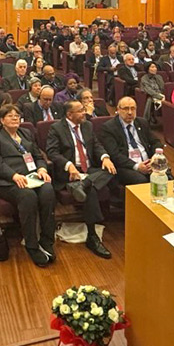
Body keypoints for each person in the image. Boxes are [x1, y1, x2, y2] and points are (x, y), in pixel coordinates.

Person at [45, 100, 116, 259]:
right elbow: (52, 152)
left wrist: (105, 158)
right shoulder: (56, 128)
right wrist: (69, 165)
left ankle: (84, 183)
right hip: (71, 173)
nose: (84, 113)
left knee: (112, 169)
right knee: (90, 189)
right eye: (80, 111)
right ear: (70, 114)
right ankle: (92, 236)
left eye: (84, 110)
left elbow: (96, 145)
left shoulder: (87, 126)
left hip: (90, 170)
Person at [0, 104, 56, 267]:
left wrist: (42, 169)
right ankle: (31, 245)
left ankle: (47, 240)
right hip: (9, 181)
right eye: (10, 116)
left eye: (17, 115)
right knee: (28, 196)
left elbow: (38, 156)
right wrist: (13, 175)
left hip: (32, 176)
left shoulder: (26, 133)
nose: (15, 118)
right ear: (2, 120)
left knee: (47, 190)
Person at [98, 96, 165, 186]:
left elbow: (156, 142)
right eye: (126, 109)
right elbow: (115, 155)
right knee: (141, 180)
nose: (130, 112)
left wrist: (154, 159)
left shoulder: (142, 122)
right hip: (126, 166)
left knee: (166, 175)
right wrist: (137, 166)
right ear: (118, 109)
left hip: (148, 163)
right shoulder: (109, 128)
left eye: (133, 109)